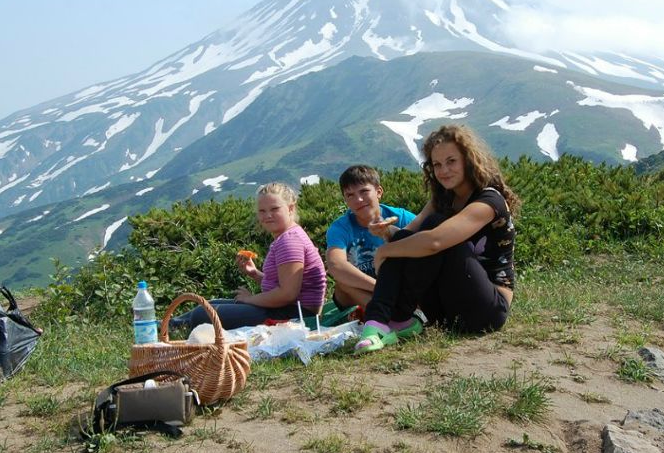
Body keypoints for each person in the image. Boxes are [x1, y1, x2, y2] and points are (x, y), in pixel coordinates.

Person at [354, 124, 518, 353]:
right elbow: (407, 237)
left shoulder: (489, 201)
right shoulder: (443, 198)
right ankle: (392, 320)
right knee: (405, 236)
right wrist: (386, 233)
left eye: (451, 161)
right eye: (437, 164)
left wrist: (384, 252)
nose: (443, 171)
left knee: (432, 227)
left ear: (468, 160)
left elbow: (435, 242)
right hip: (445, 312)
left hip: (486, 310)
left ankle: (387, 318)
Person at [169, 182, 326, 332]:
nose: (268, 215)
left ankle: (168, 327)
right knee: (208, 305)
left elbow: (287, 294)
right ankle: (168, 324)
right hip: (290, 310)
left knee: (202, 314)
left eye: (275, 209)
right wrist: (255, 274)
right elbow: (284, 284)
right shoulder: (288, 236)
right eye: (262, 211)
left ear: (290, 208)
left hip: (295, 315)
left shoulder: (290, 241)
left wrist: (250, 299)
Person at [325, 165, 418, 310]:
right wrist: (381, 288)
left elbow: (429, 240)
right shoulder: (340, 227)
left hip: (398, 284)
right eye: (350, 195)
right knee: (343, 281)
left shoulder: (401, 217)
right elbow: (336, 265)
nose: (359, 199)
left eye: (364, 191)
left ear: (378, 192)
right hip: (362, 290)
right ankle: (386, 315)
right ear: (345, 200)